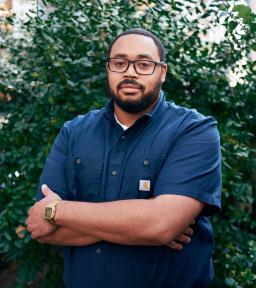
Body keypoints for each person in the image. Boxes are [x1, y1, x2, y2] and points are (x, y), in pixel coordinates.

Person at [26, 28, 221, 288]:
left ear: (162, 72)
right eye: (119, 63)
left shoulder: (194, 130)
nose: (129, 72)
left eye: (143, 64)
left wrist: (58, 211)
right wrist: (142, 224)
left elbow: (161, 225)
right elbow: (41, 227)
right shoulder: (74, 132)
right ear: (108, 69)